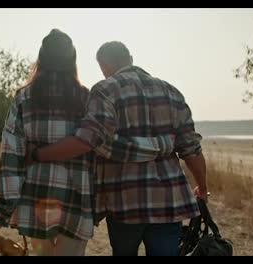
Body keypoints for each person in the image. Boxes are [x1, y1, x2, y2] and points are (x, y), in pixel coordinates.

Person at [0, 30, 175, 256]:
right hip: (77, 202)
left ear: (41, 58)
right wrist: (162, 145)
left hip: (35, 202)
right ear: (73, 59)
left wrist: (5, 207)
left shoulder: (23, 99)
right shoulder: (89, 99)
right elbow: (109, 146)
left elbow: (11, 155)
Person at [28, 41, 207, 256]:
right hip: (168, 202)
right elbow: (192, 150)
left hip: (124, 202)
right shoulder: (171, 92)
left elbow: (87, 140)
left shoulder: (105, 90)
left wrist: (38, 154)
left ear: (103, 65)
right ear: (130, 58)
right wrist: (202, 188)